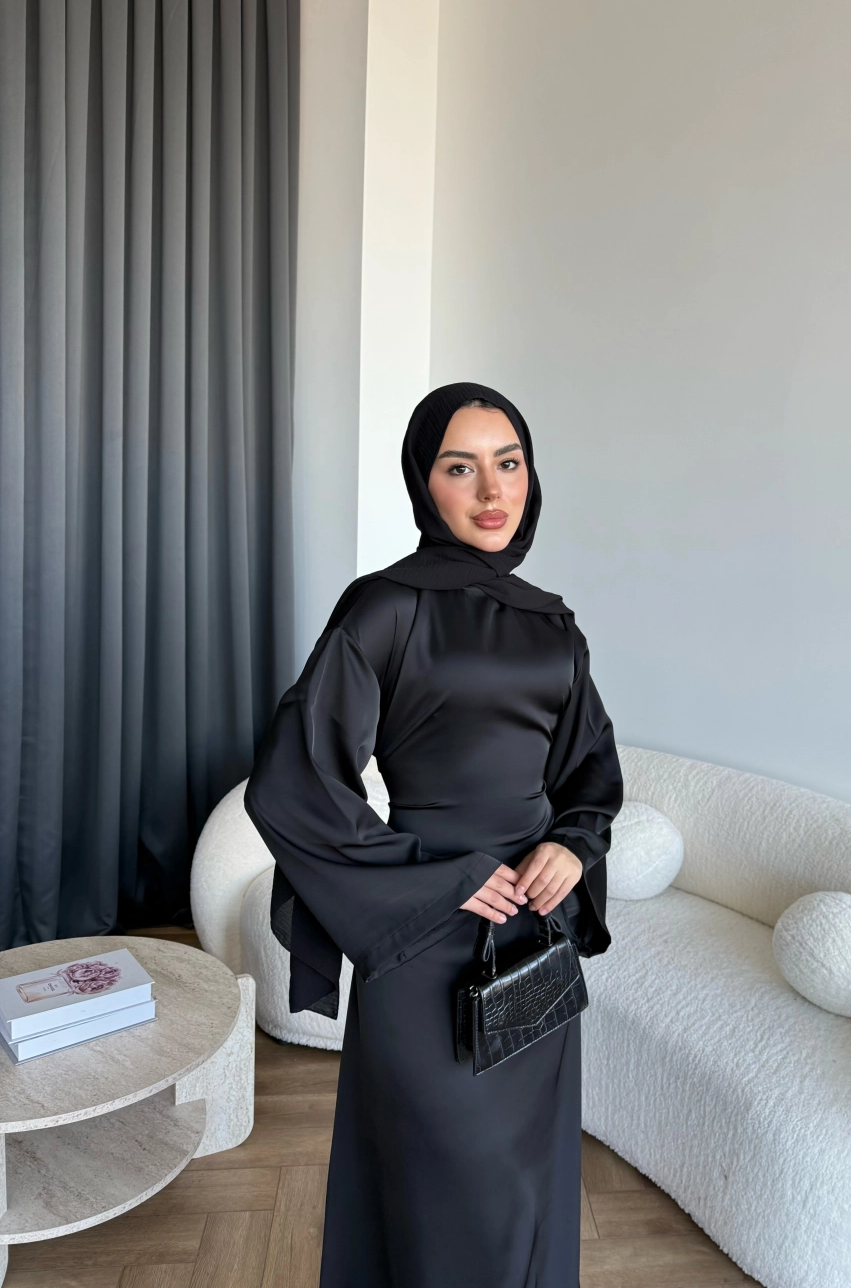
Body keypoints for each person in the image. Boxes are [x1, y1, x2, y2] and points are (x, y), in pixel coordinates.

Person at [244, 382, 623, 1288]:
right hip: (421, 939)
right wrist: (433, 875)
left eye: (509, 463)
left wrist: (572, 845)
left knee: (526, 1195)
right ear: (424, 481)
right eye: (461, 467)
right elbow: (293, 784)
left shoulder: (554, 625)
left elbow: (590, 774)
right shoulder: (384, 607)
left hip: (531, 937)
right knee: (440, 1190)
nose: (492, 491)